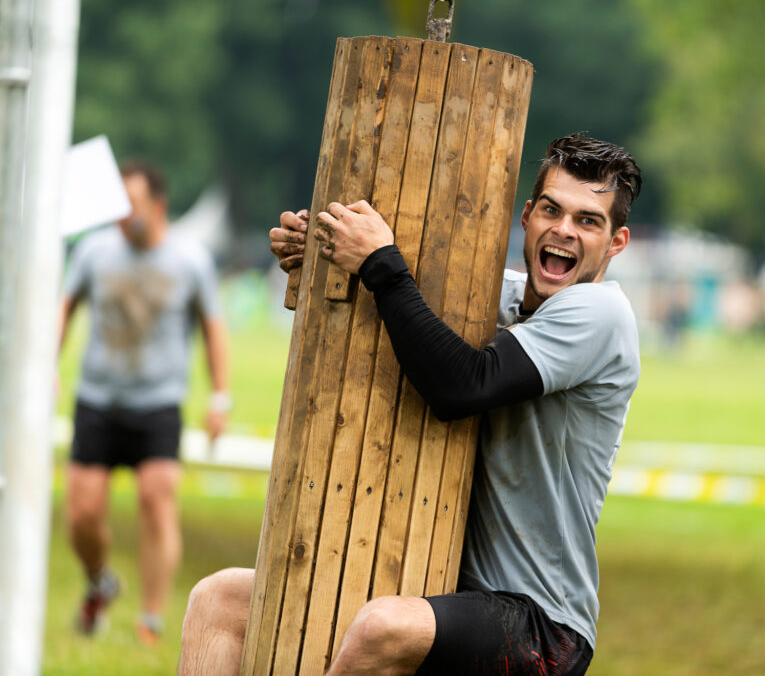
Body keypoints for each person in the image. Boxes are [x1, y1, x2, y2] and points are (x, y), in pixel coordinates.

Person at [178, 134, 642, 675]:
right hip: (439, 587)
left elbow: (460, 386)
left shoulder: (600, 315)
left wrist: (378, 263)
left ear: (616, 243)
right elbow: (414, 303)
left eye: (588, 220)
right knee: (219, 600)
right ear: (527, 218)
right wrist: (325, 249)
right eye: (551, 209)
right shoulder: (505, 296)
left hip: (542, 625)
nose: (563, 229)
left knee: (383, 629)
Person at [60, 159, 232, 644]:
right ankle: (101, 581)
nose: (121, 215)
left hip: (158, 402)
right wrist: (45, 368)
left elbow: (214, 331)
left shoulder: (191, 260)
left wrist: (220, 398)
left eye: (130, 204)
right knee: (82, 515)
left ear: (158, 206)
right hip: (98, 398)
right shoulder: (93, 251)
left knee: (158, 502)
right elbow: (63, 309)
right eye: (116, 204)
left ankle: (151, 619)